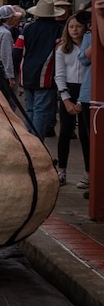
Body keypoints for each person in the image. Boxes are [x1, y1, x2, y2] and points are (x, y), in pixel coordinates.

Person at [15, 0, 64, 142]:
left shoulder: (28, 28)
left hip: (27, 74)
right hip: (46, 76)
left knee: (30, 110)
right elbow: (62, 53)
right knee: (41, 111)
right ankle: (36, 144)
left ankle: (27, 140)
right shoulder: (58, 30)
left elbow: (17, 50)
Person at [54, 14, 89, 186]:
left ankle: (89, 172)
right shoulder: (62, 48)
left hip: (86, 89)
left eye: (78, 26)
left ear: (85, 27)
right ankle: (62, 171)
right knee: (65, 132)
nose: (74, 30)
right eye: (71, 26)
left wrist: (83, 101)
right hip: (68, 89)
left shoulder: (90, 47)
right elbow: (59, 75)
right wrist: (66, 99)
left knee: (85, 134)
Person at [75, 0, 104, 194]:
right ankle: (92, 178)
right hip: (88, 93)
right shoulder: (88, 35)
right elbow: (84, 59)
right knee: (87, 138)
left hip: (97, 94)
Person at [0, 5, 20, 109]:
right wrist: (10, 77)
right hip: (2, 70)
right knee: (8, 102)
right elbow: (6, 56)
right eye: (13, 17)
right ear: (9, 18)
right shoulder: (6, 34)